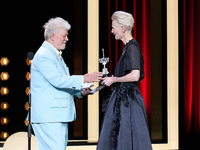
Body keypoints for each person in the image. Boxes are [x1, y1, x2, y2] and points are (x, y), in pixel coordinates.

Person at [30, 17, 102, 150]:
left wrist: (79, 91)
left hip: (55, 115)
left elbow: (59, 83)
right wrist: (83, 79)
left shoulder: (54, 54)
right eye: (64, 35)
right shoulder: (45, 55)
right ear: (53, 36)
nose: (67, 39)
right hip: (49, 116)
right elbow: (57, 80)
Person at [97, 11, 152, 150]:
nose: (111, 31)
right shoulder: (128, 48)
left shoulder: (132, 47)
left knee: (127, 138)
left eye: (113, 27)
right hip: (123, 99)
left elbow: (135, 75)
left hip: (129, 102)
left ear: (123, 28)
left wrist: (114, 79)